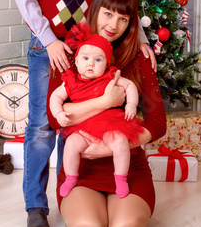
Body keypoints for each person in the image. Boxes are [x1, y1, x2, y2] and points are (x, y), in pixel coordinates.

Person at [15, 0, 155, 227]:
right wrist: (48, 41)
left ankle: (72, 187)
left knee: (74, 127)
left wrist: (139, 38)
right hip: (50, 49)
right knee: (43, 125)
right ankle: (35, 206)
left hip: (86, 52)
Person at [47, 0, 166, 227]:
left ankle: (119, 206)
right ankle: (88, 204)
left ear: (131, 23)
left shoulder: (140, 58)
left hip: (128, 165)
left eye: (123, 18)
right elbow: (56, 118)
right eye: (108, 14)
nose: (114, 25)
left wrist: (110, 147)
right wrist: (104, 102)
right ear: (94, 12)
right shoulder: (70, 55)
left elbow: (158, 122)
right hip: (81, 167)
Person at [50, 22, 144, 199]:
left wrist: (131, 104)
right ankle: (71, 178)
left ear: (107, 64)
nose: (91, 64)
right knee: (71, 145)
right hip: (82, 128)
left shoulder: (110, 76)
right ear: (76, 61)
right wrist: (59, 114)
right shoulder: (71, 81)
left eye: (98, 60)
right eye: (85, 58)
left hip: (109, 123)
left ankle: (120, 178)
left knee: (120, 142)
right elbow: (55, 97)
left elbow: (130, 85)